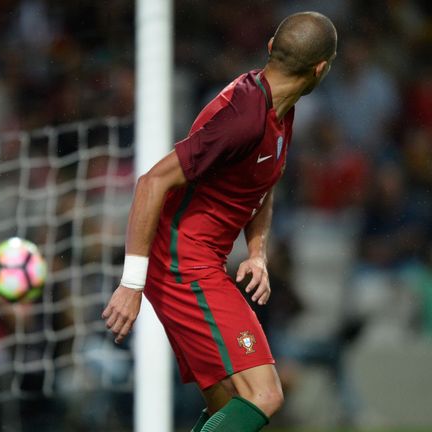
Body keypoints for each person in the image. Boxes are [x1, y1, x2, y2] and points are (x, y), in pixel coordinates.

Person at [102, 12, 337, 432]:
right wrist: (130, 283)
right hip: (183, 264)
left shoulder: (279, 107)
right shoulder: (242, 117)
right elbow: (152, 181)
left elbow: (262, 183)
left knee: (227, 407)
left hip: (196, 263)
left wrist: (258, 253)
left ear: (270, 47)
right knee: (265, 393)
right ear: (321, 69)